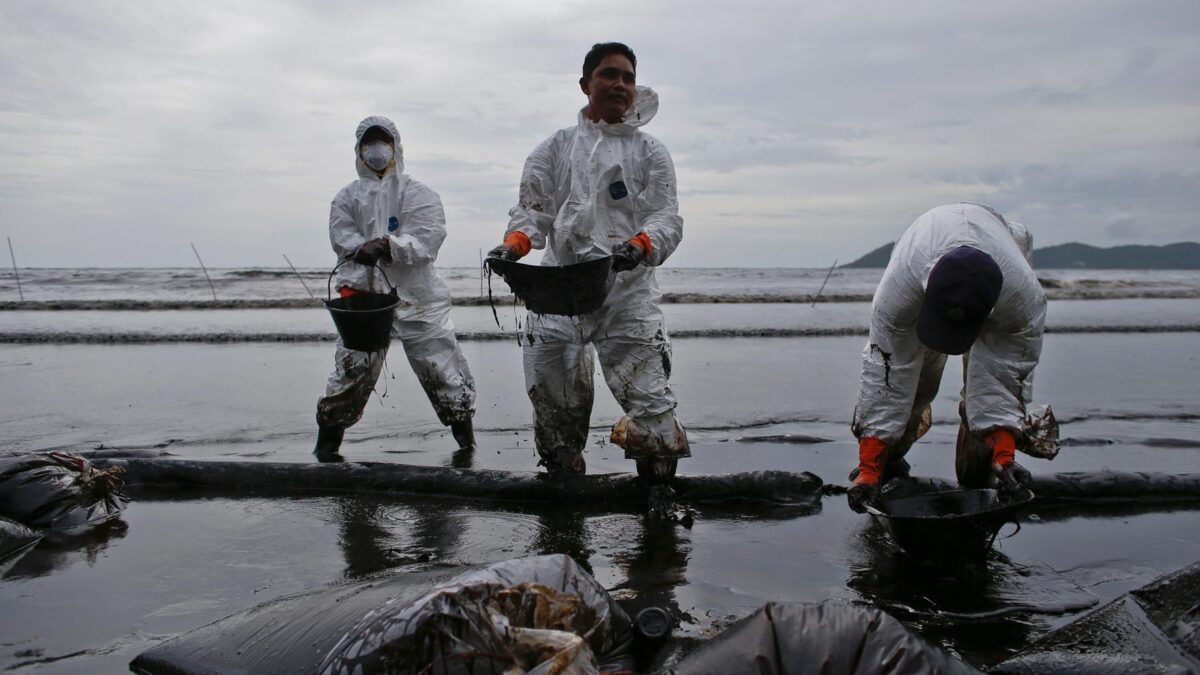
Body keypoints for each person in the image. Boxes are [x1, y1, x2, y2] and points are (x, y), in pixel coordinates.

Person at [487, 42, 688, 479]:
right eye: (609, 74)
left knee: (651, 408)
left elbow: (666, 216)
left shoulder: (650, 152)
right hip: (559, 295)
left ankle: (657, 506)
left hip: (627, 297)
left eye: (628, 78)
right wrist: (516, 244)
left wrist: (640, 244)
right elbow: (533, 211)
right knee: (555, 413)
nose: (620, 84)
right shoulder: (553, 149)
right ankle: (564, 502)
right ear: (585, 85)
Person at [847, 203, 1045, 512]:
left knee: (983, 401)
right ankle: (884, 467)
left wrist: (1005, 454)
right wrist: (868, 467)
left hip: (1001, 256)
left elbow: (1005, 373)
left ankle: (982, 479)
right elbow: (885, 373)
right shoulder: (899, 291)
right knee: (914, 388)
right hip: (924, 246)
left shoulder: (1021, 300)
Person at [313, 116, 476, 461]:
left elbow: (429, 239)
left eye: (382, 141)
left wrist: (388, 246)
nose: (375, 150)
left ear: (395, 146)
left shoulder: (418, 193)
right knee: (351, 372)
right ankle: (325, 450)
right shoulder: (346, 198)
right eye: (368, 143)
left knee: (441, 369)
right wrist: (361, 248)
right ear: (358, 150)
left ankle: (467, 445)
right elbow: (341, 238)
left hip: (419, 297)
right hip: (364, 299)